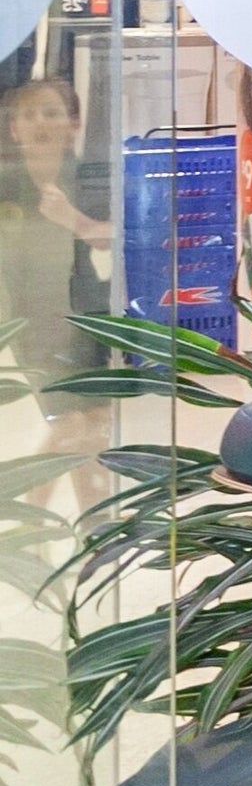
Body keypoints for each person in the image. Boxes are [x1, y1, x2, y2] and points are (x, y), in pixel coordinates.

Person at [0, 78, 109, 500]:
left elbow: (113, 236)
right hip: (32, 322)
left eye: (51, 112)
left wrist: (72, 219)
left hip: (90, 312)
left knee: (96, 423)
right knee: (69, 424)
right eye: (27, 115)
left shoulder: (89, 176)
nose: (38, 122)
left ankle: (93, 523)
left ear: (73, 123)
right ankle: (34, 521)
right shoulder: (6, 182)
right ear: (13, 129)